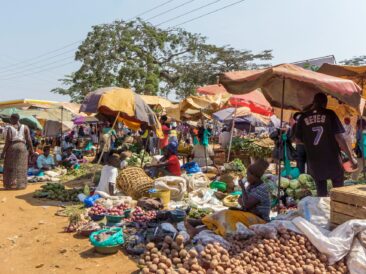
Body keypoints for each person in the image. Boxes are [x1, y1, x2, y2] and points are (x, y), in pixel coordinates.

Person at [185, 159, 270, 237]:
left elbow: (246, 204)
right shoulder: (252, 186)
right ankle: (198, 223)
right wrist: (243, 199)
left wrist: (243, 189)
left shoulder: (261, 189)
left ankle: (198, 229)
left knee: (228, 217)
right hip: (249, 214)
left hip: (260, 220)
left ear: (254, 176)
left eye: (248, 174)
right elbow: (240, 200)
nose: (246, 176)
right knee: (224, 212)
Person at [295, 93, 357, 197]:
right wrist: (351, 158)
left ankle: (322, 211)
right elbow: (340, 138)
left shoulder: (303, 117)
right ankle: (338, 209)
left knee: (321, 192)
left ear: (314, 102)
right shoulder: (329, 114)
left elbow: (297, 140)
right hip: (332, 160)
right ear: (325, 103)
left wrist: (310, 142)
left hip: (315, 161)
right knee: (338, 190)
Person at [1, 114, 34, 189]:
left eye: (11, 119)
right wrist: (32, 150)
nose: (10, 120)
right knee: (21, 166)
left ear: (14, 119)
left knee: (10, 166)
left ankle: (10, 185)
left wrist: (3, 153)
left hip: (13, 147)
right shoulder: (25, 127)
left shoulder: (10, 128)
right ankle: (21, 185)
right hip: (22, 147)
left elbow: (8, 141)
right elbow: (29, 139)